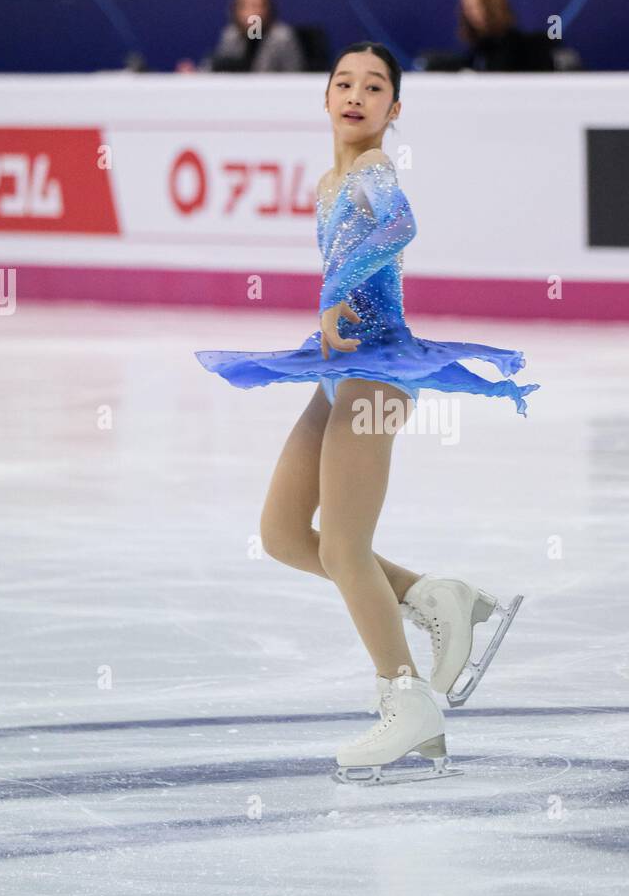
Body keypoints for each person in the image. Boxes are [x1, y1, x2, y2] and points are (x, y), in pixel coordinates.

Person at [194, 41, 538, 782]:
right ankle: (431, 594)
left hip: (378, 375)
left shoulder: (376, 171)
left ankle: (405, 699)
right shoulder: (329, 180)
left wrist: (335, 293)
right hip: (337, 371)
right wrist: (331, 307)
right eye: (343, 82)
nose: (356, 94)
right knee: (286, 534)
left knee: (344, 545)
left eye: (374, 85)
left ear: (394, 110)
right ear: (324, 98)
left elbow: (398, 228)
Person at [203, 0, 305, 72]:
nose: (250, 12)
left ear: (268, 9)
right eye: (243, 6)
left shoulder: (281, 37)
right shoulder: (231, 35)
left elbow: (294, 75)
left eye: (256, 5)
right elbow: (218, 68)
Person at [457, 0, 535, 70]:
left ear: (491, 6)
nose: (469, 13)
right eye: (466, 7)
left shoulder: (516, 48)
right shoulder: (475, 49)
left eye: (475, 6)